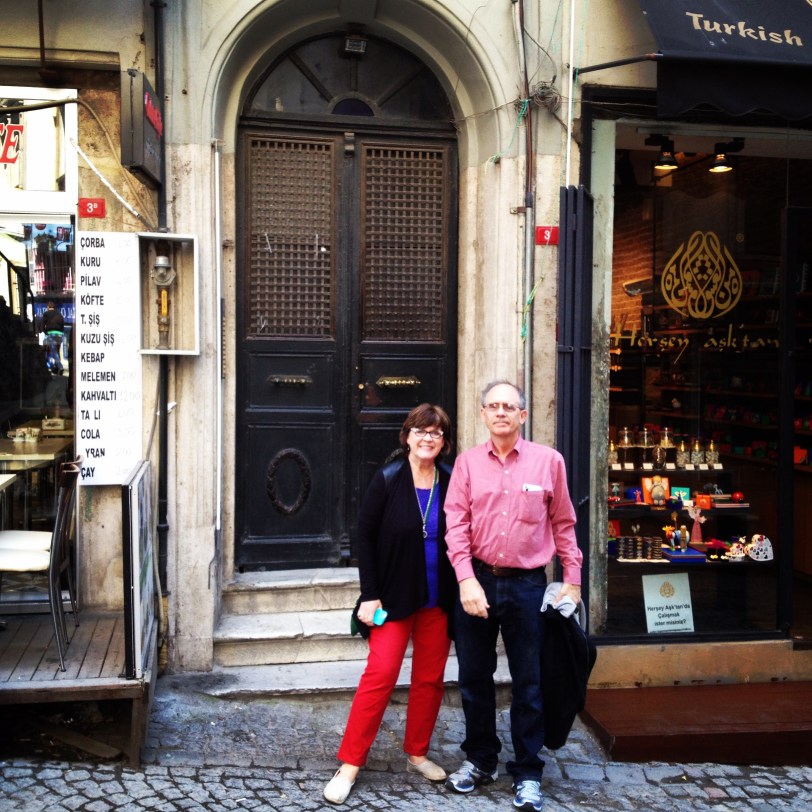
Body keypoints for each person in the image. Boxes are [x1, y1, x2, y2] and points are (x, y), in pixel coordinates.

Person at [443, 380, 583, 812]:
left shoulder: (549, 462)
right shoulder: (466, 465)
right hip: (477, 582)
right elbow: (456, 527)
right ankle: (481, 760)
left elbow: (563, 524)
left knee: (529, 682)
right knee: (473, 678)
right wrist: (465, 580)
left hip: (527, 586)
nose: (501, 412)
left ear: (522, 416)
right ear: (483, 414)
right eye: (494, 406)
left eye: (510, 406)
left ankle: (526, 771)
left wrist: (572, 581)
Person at [323, 403, 459, 805]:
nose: (427, 438)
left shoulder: (451, 480)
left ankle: (416, 752)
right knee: (379, 676)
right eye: (420, 430)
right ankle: (349, 765)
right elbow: (364, 538)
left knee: (430, 680)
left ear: (444, 441)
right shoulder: (387, 479)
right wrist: (370, 594)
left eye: (435, 432)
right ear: (407, 436)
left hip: (438, 600)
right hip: (394, 598)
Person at [38, 300, 64, 375]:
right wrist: (61, 333)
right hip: (60, 334)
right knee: (57, 351)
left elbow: (42, 324)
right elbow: (62, 324)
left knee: (53, 351)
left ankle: (60, 367)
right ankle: (57, 368)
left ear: (48, 307)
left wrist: (45, 332)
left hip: (51, 334)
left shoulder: (46, 313)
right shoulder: (59, 314)